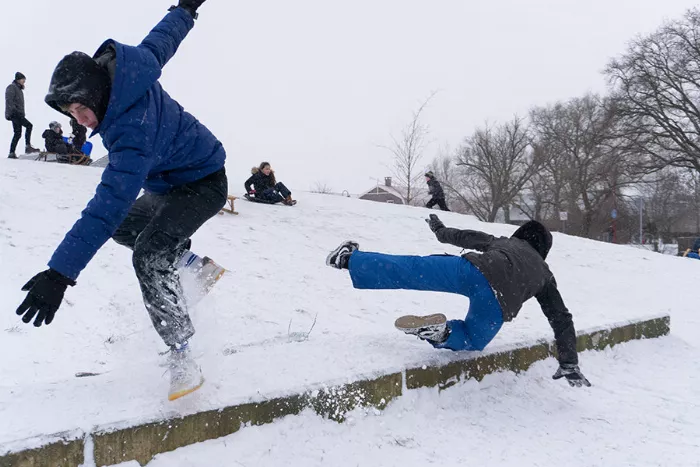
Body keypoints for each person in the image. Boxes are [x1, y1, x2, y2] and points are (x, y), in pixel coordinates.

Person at [15, 0, 227, 402]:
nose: (79, 119)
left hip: (203, 183)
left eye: (81, 108)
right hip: (169, 185)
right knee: (130, 225)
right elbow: (162, 40)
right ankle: (194, 267)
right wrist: (185, 9)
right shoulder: (132, 70)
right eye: (70, 112)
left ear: (96, 93)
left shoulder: (132, 132)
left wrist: (60, 274)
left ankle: (182, 356)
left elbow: (105, 206)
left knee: (147, 252)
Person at [326, 215, 591, 388]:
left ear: (520, 235)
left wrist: (440, 231)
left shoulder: (505, 243)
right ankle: (444, 334)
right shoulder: (544, 274)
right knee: (474, 340)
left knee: (410, 269)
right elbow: (561, 317)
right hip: (497, 306)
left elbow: (467, 236)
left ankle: (348, 259)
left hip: (472, 272)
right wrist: (568, 360)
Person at [5, 72, 40, 158]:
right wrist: (15, 111)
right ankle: (27, 147)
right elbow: (9, 100)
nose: (24, 82)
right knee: (29, 126)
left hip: (18, 114)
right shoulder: (12, 87)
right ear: (18, 79)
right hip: (15, 114)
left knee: (17, 133)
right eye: (23, 80)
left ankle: (11, 152)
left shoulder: (19, 89)